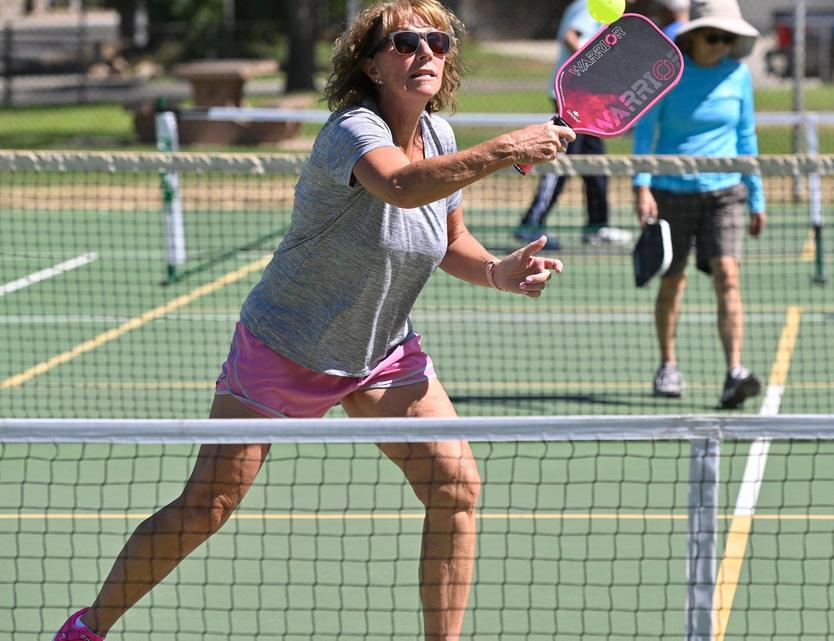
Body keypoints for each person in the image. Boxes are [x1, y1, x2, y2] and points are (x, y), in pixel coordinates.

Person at [52, 2, 571, 640]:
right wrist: (509, 147)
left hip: (382, 354)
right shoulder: (352, 131)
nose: (425, 53)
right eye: (405, 42)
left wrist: (496, 270)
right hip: (286, 347)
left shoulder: (438, 136)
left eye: (437, 42)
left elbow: (447, 235)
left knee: (456, 486)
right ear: (371, 63)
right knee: (206, 508)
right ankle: (88, 627)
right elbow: (403, 187)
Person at [631, 0, 765, 409]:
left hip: (725, 193)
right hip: (672, 191)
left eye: (729, 38)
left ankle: (734, 371)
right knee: (674, 281)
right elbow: (645, 134)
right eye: (713, 36)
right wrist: (642, 185)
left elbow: (746, 137)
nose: (721, 45)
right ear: (693, 36)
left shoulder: (738, 75)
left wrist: (756, 196)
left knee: (727, 275)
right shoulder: (666, 75)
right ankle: (668, 365)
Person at [513, 0, 633, 250]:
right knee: (561, 162)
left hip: (591, 98)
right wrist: (592, 67)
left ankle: (596, 226)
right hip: (572, 98)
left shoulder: (607, 12)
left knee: (595, 163)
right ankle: (530, 224)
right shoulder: (589, 4)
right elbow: (570, 36)